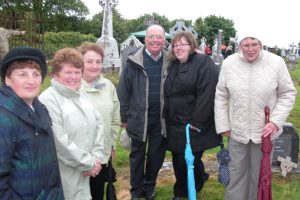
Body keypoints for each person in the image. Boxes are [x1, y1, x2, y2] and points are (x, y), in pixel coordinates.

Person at [214, 34, 296, 200]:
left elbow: (287, 93)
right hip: (237, 131)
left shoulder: (276, 62)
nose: (250, 49)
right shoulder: (229, 63)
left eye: (254, 44)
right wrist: (223, 124)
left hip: (264, 132)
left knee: (259, 175)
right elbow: (221, 94)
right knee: (235, 174)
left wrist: (275, 121)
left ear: (261, 43)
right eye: (246, 45)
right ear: (239, 45)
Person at [39, 48, 104, 200]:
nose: (73, 77)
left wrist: (96, 157)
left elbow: (98, 123)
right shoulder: (48, 100)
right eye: (68, 72)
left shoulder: (81, 94)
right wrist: (89, 163)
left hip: (87, 170)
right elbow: (60, 142)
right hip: (65, 174)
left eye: (77, 72)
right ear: (55, 74)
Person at [163, 31, 221, 200]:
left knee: (188, 158)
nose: (179, 47)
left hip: (194, 123)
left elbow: (208, 93)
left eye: (183, 44)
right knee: (178, 156)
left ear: (192, 45)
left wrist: (198, 120)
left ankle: (184, 190)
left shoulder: (204, 62)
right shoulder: (173, 64)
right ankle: (195, 180)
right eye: (176, 45)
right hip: (174, 121)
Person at [0, 46, 64, 199]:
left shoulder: (39, 108)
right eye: (22, 74)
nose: (31, 81)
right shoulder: (4, 118)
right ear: (8, 79)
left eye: (36, 74)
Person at [117, 24, 168, 200]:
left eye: (159, 37)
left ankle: (150, 186)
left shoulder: (170, 60)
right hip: (138, 118)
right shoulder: (133, 61)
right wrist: (124, 118)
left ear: (164, 40)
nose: (155, 40)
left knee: (156, 155)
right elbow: (123, 92)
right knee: (137, 155)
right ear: (145, 39)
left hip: (160, 118)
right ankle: (136, 189)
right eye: (152, 36)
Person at [77, 42, 120, 200]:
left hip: (102, 155)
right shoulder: (73, 87)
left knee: (96, 193)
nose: (94, 66)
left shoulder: (108, 86)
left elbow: (115, 118)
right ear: (80, 62)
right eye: (89, 61)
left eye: (98, 61)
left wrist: (112, 144)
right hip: (78, 158)